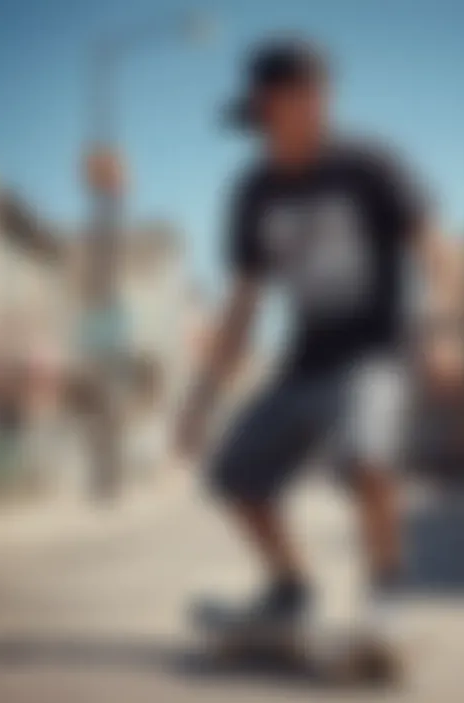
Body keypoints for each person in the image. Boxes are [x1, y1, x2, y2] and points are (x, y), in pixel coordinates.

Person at [177, 38, 429, 626]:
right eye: (303, 94)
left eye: (323, 92)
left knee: (370, 456)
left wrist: (444, 328)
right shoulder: (254, 191)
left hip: (375, 353)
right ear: (267, 105)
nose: (320, 104)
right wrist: (199, 399)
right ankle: (291, 589)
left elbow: (431, 243)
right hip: (305, 362)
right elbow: (241, 306)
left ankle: (386, 589)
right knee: (233, 476)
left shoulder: (368, 165)